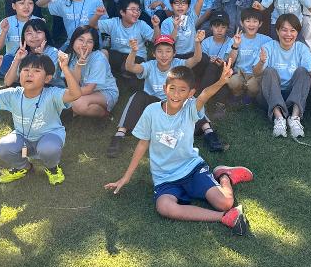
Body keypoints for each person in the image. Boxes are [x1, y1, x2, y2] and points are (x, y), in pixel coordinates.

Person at [103, 61, 252, 235]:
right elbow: (142, 144)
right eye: (172, 88)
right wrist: (126, 177)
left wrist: (221, 81)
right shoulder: (151, 111)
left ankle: (224, 175)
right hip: (165, 178)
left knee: (225, 202)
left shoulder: (190, 109)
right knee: (164, 207)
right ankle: (224, 217)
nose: (176, 94)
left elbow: (205, 95)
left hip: (191, 169)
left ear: (190, 93)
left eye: (182, 90)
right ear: (164, 88)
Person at [106, 34, 224, 156]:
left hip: (175, 106)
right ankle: (119, 135)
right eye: (160, 51)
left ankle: (209, 133)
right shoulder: (150, 65)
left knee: (191, 99)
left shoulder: (178, 64)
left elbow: (196, 59)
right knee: (138, 96)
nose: (164, 55)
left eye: (168, 51)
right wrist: (133, 51)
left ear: (174, 53)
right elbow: (130, 67)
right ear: (154, 53)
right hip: (155, 108)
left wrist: (197, 43)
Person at [0, 51, 81, 185]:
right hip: (23, 137)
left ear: (47, 78)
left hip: (49, 136)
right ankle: (23, 167)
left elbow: (75, 94)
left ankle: (52, 168)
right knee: (2, 147)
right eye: (25, 70)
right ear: (19, 74)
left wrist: (65, 68)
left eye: (37, 71)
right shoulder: (13, 94)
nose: (29, 74)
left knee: (48, 148)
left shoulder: (52, 94)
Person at [253, 14, 311, 139]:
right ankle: (279, 118)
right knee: (269, 71)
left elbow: (309, 77)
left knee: (303, 71)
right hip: (270, 95)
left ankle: (294, 118)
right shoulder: (269, 47)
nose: (288, 34)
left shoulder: (302, 48)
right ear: (277, 31)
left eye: (292, 30)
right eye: (284, 30)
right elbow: (256, 73)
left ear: (297, 33)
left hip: (294, 96)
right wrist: (261, 62)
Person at [56, 26, 119, 118]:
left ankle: (106, 114)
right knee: (69, 101)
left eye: (89, 41)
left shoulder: (98, 58)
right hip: (82, 90)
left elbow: (89, 89)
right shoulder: (69, 57)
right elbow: (73, 84)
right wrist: (78, 66)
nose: (84, 45)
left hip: (104, 91)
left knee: (78, 104)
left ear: (93, 45)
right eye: (81, 40)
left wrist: (67, 95)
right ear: (73, 40)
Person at [91, 0, 159, 77]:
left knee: (127, 67)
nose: (137, 12)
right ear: (122, 12)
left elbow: (156, 40)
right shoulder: (114, 22)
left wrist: (156, 26)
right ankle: (107, 76)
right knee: (102, 53)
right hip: (118, 55)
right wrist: (97, 15)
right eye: (133, 9)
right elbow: (93, 25)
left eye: (138, 10)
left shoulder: (141, 25)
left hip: (136, 56)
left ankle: (118, 75)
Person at [37, 0, 106, 47]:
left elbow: (104, 25)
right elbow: (39, 4)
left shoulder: (96, 2)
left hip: (91, 44)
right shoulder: (64, 3)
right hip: (71, 44)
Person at [0, 0, 40, 77]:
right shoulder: (7, 22)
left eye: (30, 3)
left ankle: (18, 76)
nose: (26, 7)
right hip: (11, 58)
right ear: (14, 6)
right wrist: (4, 32)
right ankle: (19, 76)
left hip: (33, 58)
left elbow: (44, 46)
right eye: (22, 3)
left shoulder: (39, 21)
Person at [227, 8, 272, 99]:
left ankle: (250, 97)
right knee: (233, 82)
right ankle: (237, 94)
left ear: (260, 24)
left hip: (256, 75)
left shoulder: (267, 40)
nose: (251, 24)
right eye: (248, 21)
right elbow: (230, 62)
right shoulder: (235, 39)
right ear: (241, 23)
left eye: (255, 21)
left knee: (252, 86)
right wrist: (235, 45)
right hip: (239, 73)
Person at [2, 18, 61, 87]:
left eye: (38, 32)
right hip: (29, 88)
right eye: (29, 33)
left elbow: (48, 79)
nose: (34, 36)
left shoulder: (53, 52)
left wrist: (40, 57)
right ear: (24, 37)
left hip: (50, 88)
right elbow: (7, 82)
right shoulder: (23, 53)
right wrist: (17, 59)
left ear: (46, 35)